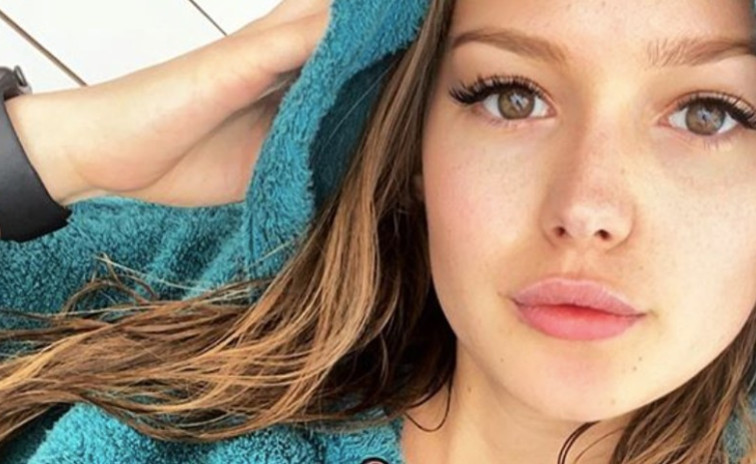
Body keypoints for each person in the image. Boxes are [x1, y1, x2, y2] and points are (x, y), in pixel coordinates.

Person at [0, 0, 755, 462]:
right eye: (512, 98)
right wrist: (67, 148)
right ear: (416, 146)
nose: (588, 209)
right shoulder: (170, 292)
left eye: (708, 114)